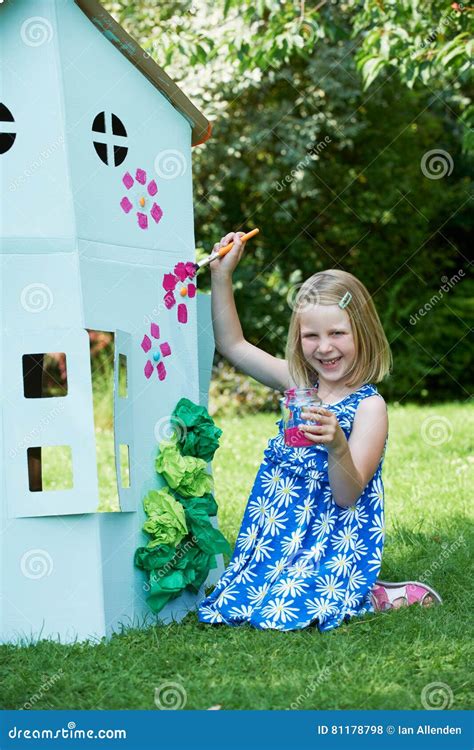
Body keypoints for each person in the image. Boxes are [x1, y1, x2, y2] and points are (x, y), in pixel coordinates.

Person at [197, 232, 442, 631]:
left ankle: (374, 592)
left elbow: (347, 496)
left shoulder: (369, 406)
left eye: (337, 334)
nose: (324, 347)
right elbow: (233, 344)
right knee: (236, 603)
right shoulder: (298, 382)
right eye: (311, 335)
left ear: (362, 332)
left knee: (293, 607)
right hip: (277, 532)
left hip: (331, 540)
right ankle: (340, 587)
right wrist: (222, 276)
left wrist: (338, 445)